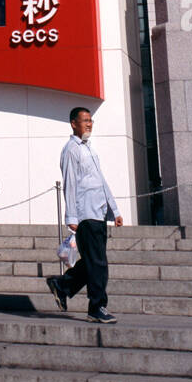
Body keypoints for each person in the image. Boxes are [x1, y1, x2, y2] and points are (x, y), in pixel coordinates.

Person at [46, 106, 122, 322]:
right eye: (84, 120)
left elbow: (100, 180)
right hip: (85, 215)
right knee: (98, 264)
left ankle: (62, 284)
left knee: (92, 261)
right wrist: (71, 217)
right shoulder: (71, 150)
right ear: (73, 123)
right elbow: (70, 184)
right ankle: (96, 307)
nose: (89, 124)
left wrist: (113, 209)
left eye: (91, 121)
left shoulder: (89, 148)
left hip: (98, 213)